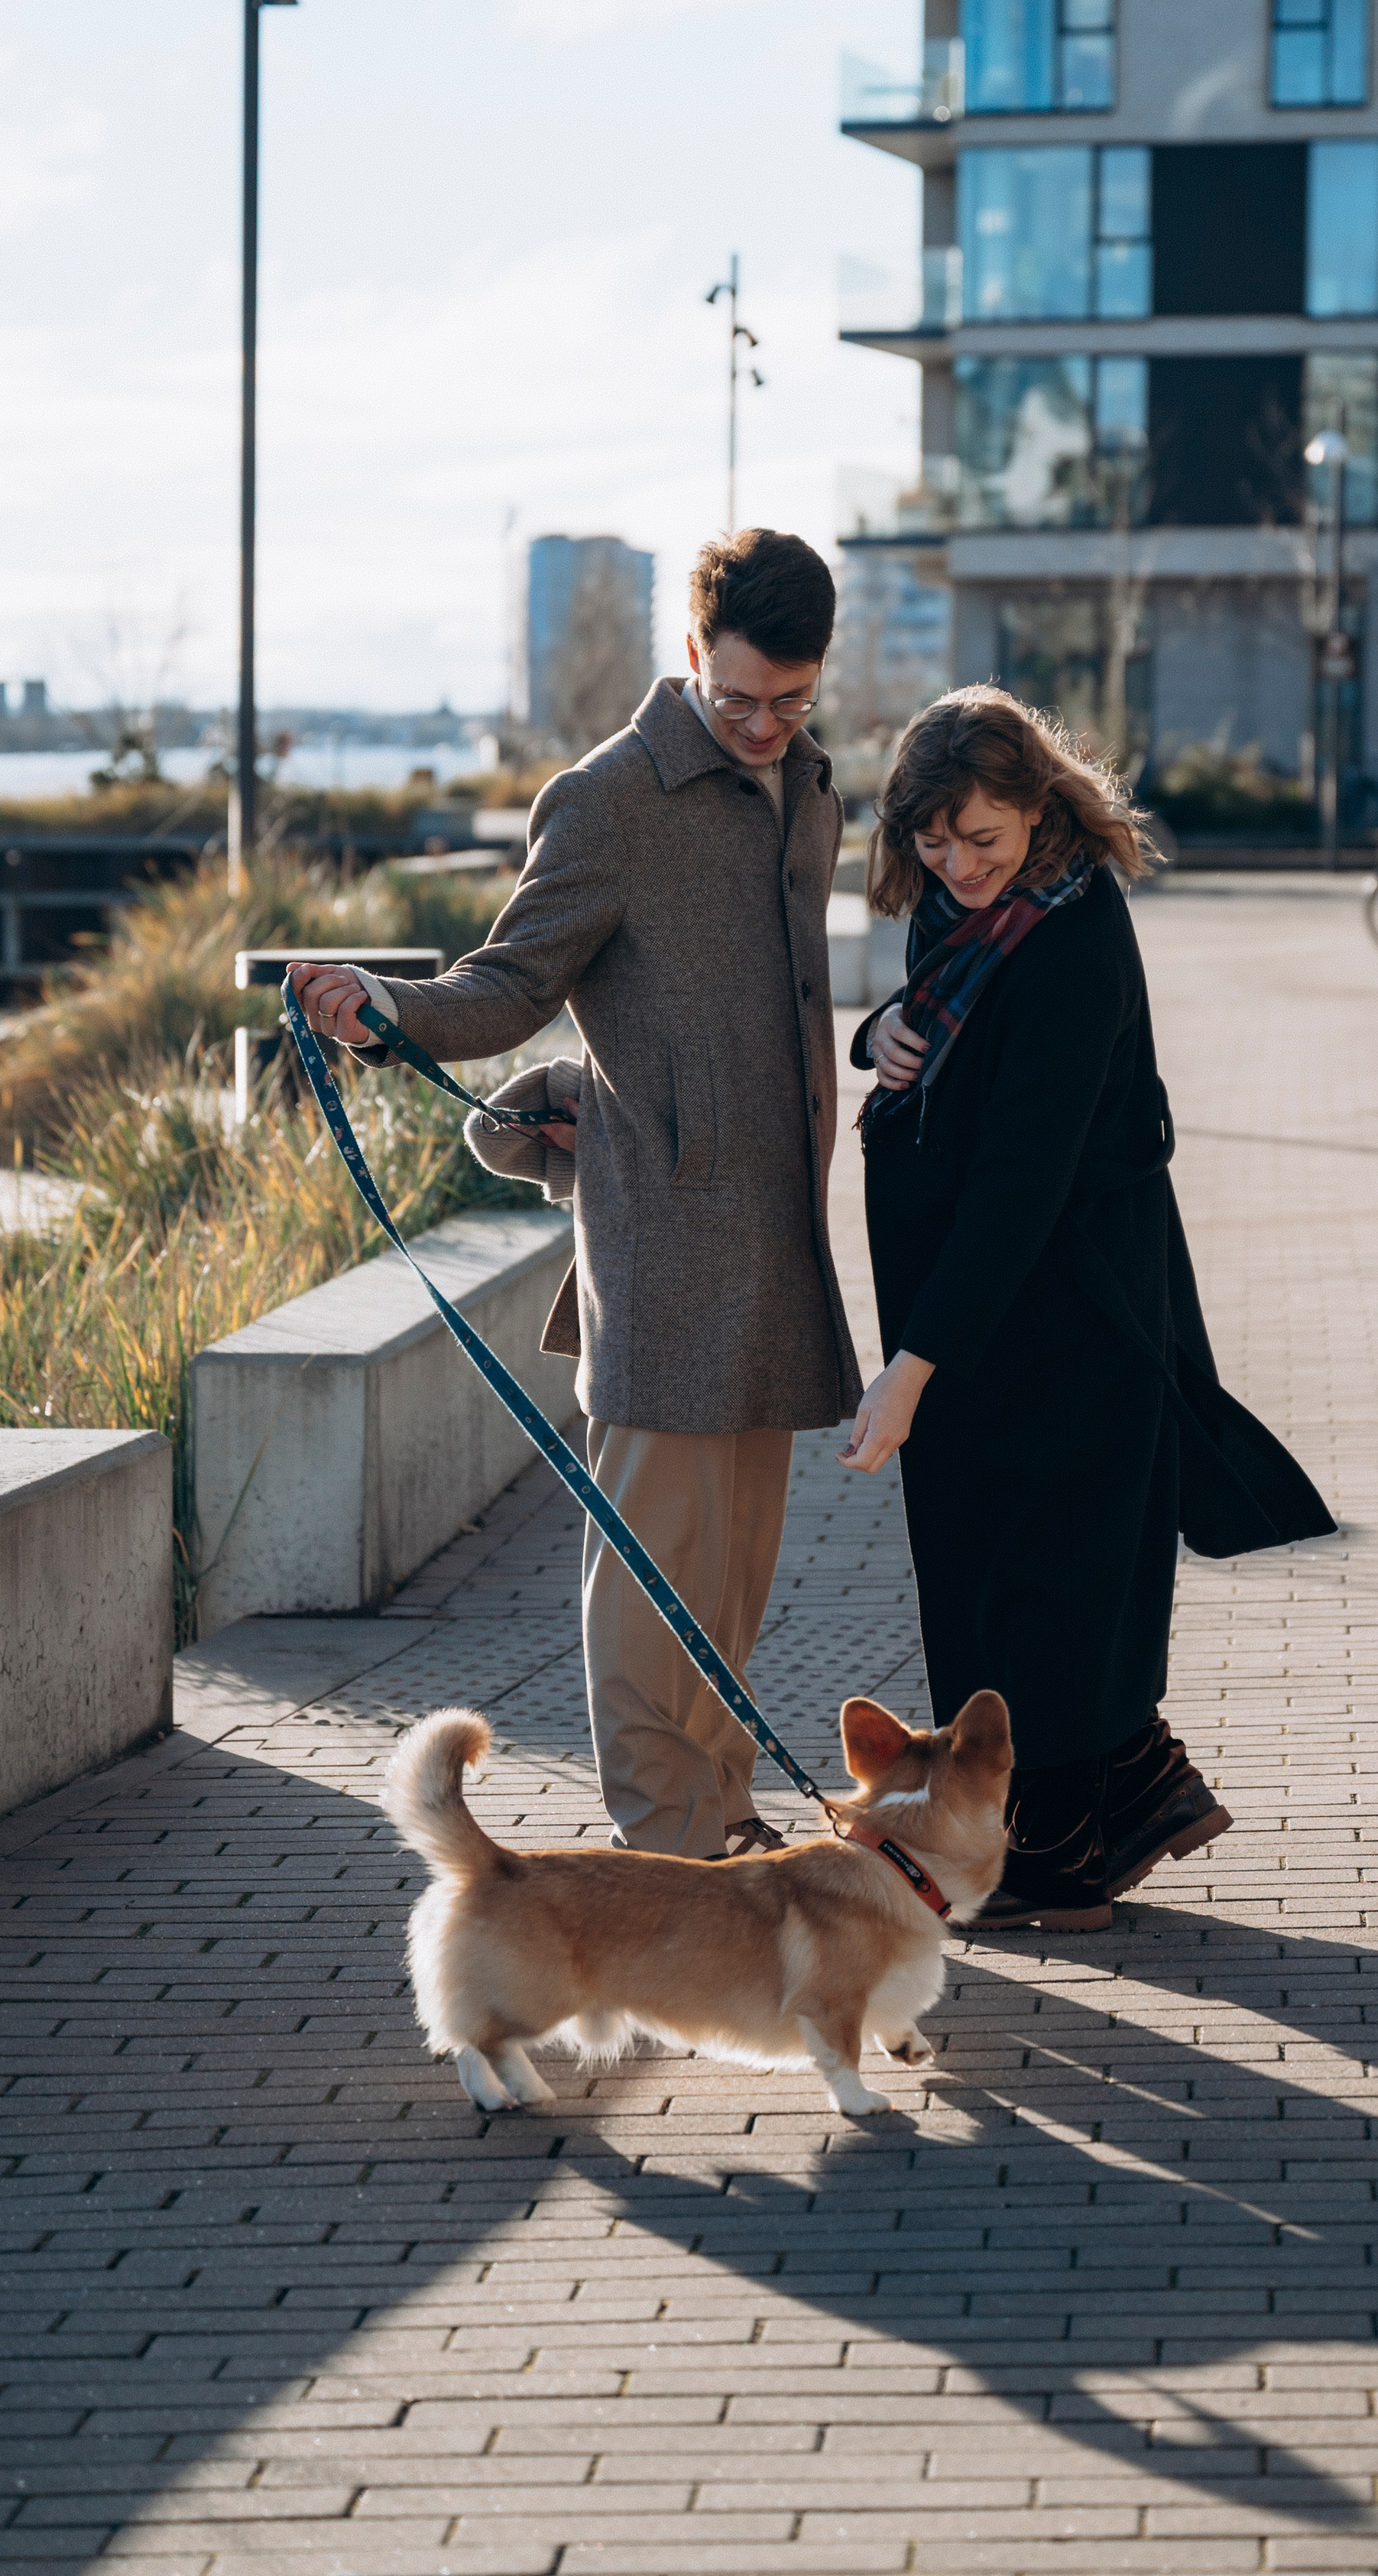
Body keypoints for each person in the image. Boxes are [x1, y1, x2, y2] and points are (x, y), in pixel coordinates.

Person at [289, 527, 861, 1863]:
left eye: (794, 700)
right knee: (654, 1579)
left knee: (731, 1580)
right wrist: (387, 1009)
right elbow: (509, 981)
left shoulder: (812, 788)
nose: (766, 724)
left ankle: (721, 1823)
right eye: (740, 699)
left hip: (780, 1238)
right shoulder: (608, 800)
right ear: (689, 658)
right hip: (661, 1246)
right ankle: (665, 1857)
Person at [838, 688, 1334, 1931]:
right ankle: (1143, 1790)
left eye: (981, 843)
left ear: (1043, 809)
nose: (954, 868)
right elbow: (941, 1036)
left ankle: (1057, 1855)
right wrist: (885, 1030)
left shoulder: (1071, 934)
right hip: (992, 1313)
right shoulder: (969, 915)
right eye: (932, 844)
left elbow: (1022, 1178)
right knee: (1015, 1567)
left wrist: (911, 1367)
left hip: (1058, 1313)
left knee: (1033, 1577)